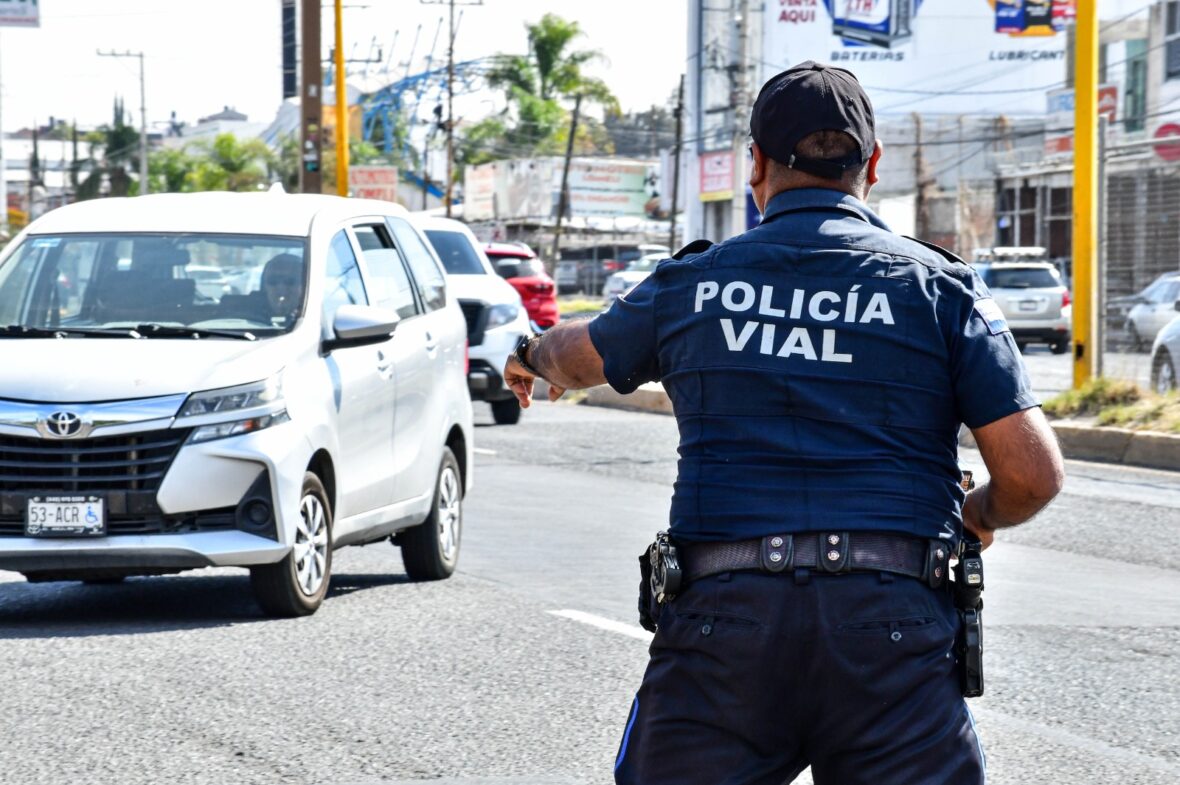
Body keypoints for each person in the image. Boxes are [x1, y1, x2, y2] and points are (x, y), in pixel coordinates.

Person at [502, 61, 1064, 785]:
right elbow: (1032, 474)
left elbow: (577, 359)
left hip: (723, 635)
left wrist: (529, 353)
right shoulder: (937, 288)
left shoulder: (694, 282)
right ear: (873, 167)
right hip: (892, 635)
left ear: (757, 165)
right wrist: (974, 513)